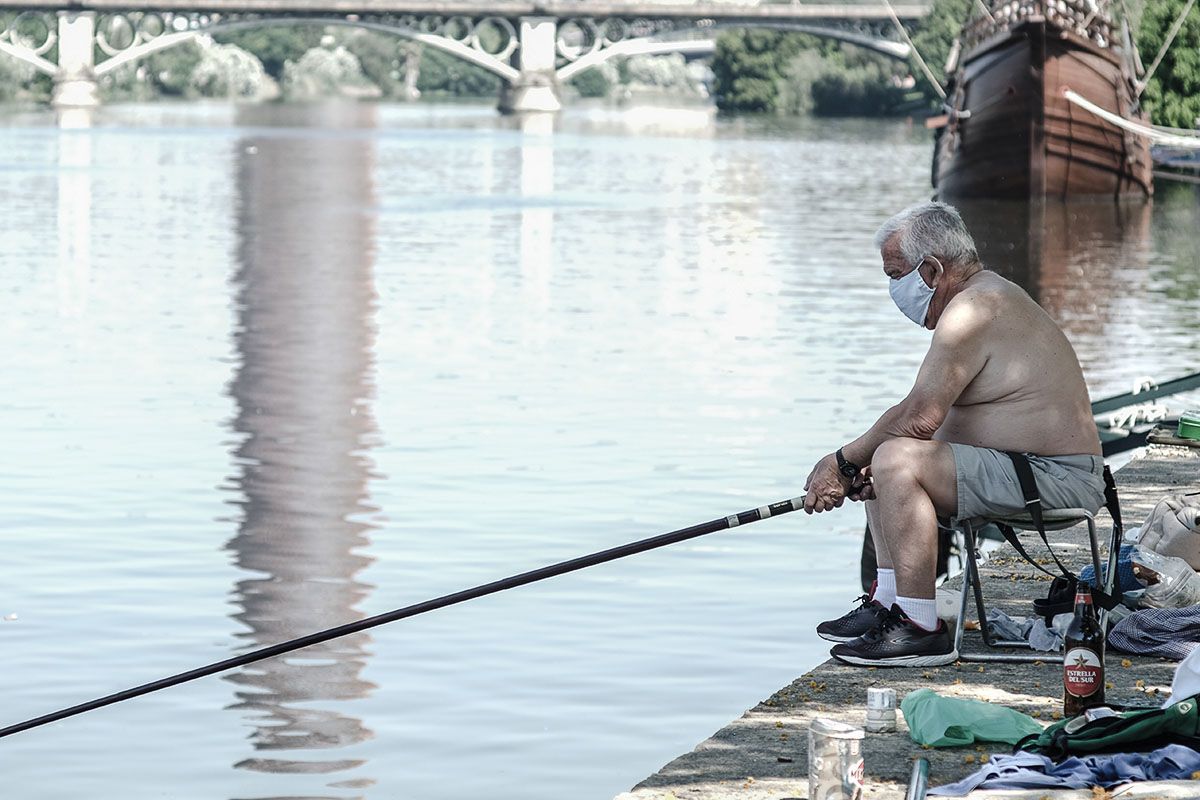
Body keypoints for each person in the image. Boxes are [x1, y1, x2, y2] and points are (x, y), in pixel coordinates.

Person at [803, 202, 1105, 667]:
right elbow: (924, 422)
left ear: (930, 270)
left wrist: (840, 462)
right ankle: (888, 602)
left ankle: (919, 627)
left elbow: (920, 417)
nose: (891, 288)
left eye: (895, 273)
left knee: (894, 459)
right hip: (1028, 469)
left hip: (1057, 478)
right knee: (883, 458)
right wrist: (859, 464)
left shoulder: (972, 310)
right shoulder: (984, 299)